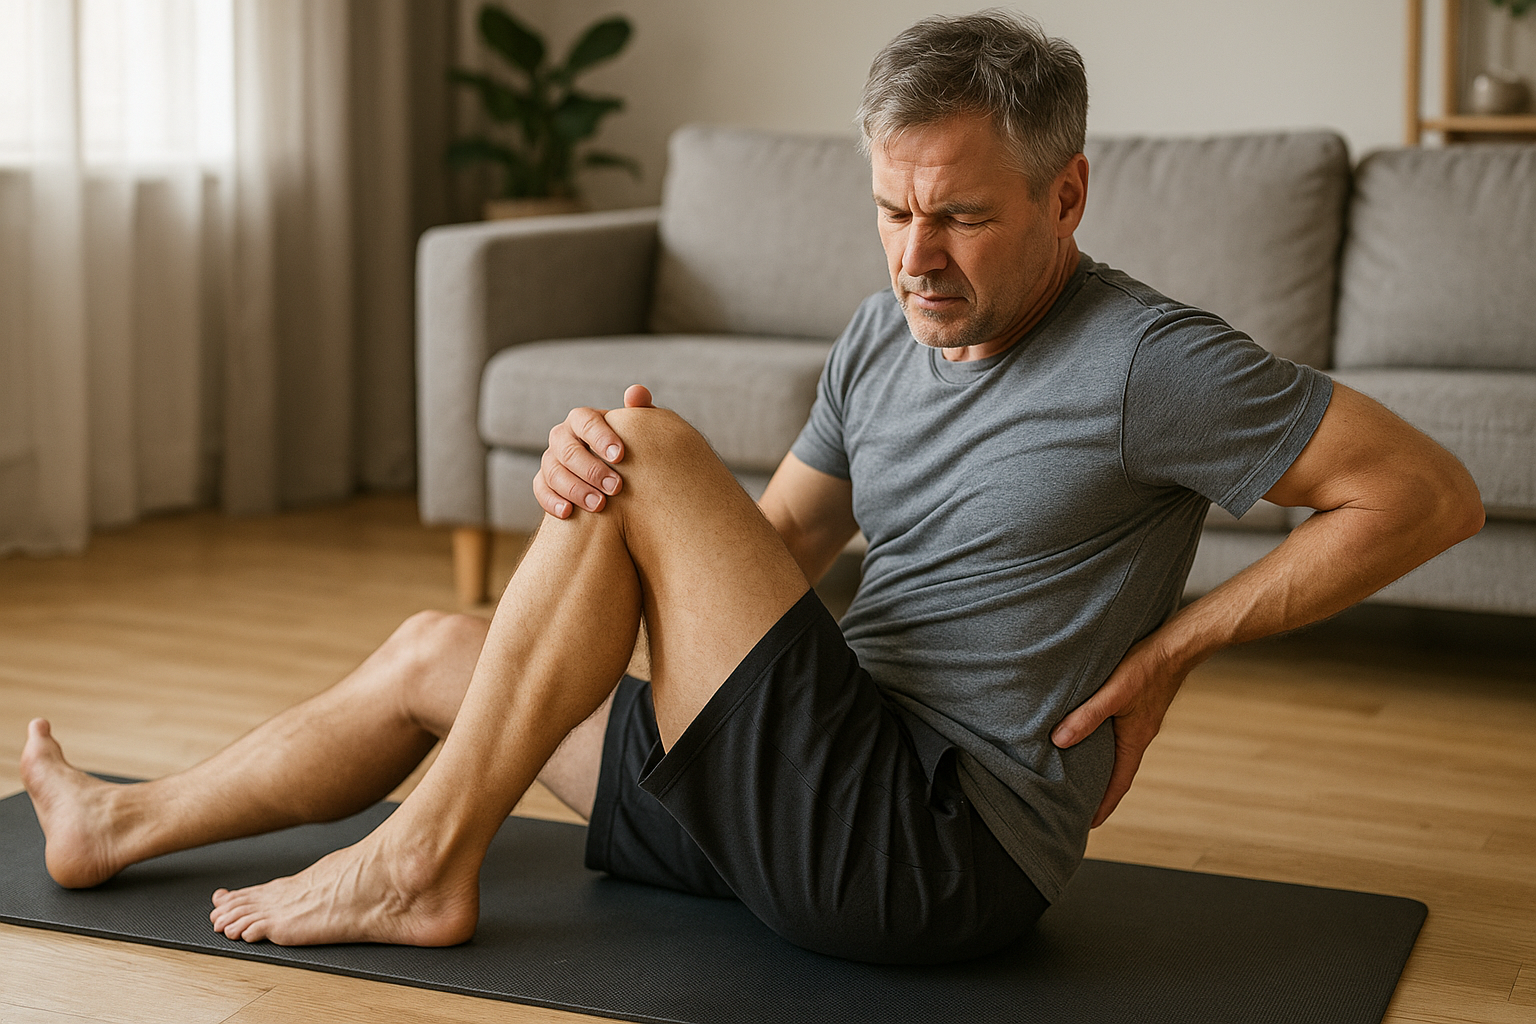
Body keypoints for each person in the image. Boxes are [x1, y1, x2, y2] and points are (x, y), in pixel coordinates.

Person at [19, 11, 1482, 965]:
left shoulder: (1150, 362)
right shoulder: (879, 333)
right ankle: (116, 829)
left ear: (1068, 195)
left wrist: (1176, 649)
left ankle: (414, 863)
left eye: (962, 217)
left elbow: (1424, 495)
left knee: (646, 447)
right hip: (796, 788)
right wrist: (603, 524)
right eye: (893, 211)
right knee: (433, 652)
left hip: (932, 847)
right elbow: (780, 540)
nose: (917, 257)